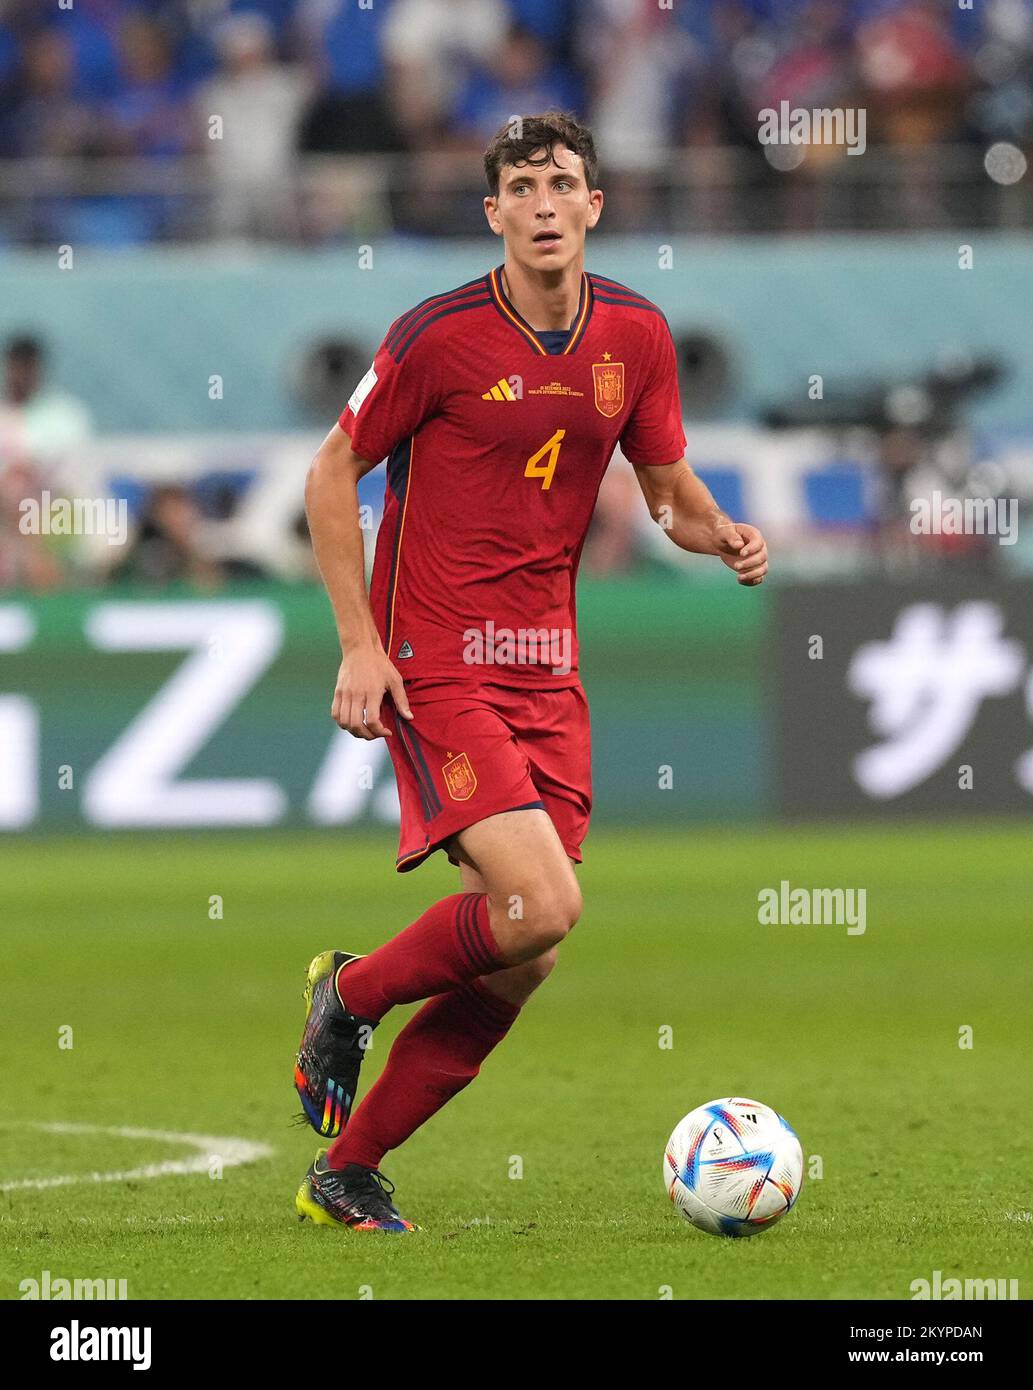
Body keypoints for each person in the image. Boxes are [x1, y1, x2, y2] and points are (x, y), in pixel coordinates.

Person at [296, 111, 769, 1233]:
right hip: (436, 659)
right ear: (495, 213)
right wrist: (361, 644)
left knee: (527, 950)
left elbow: (666, 495)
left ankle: (344, 1170)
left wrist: (723, 534)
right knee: (540, 900)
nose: (545, 201)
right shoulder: (438, 336)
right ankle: (351, 992)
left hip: (547, 669)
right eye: (522, 185)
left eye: (563, 181)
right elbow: (330, 474)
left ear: (595, 205)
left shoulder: (637, 337)